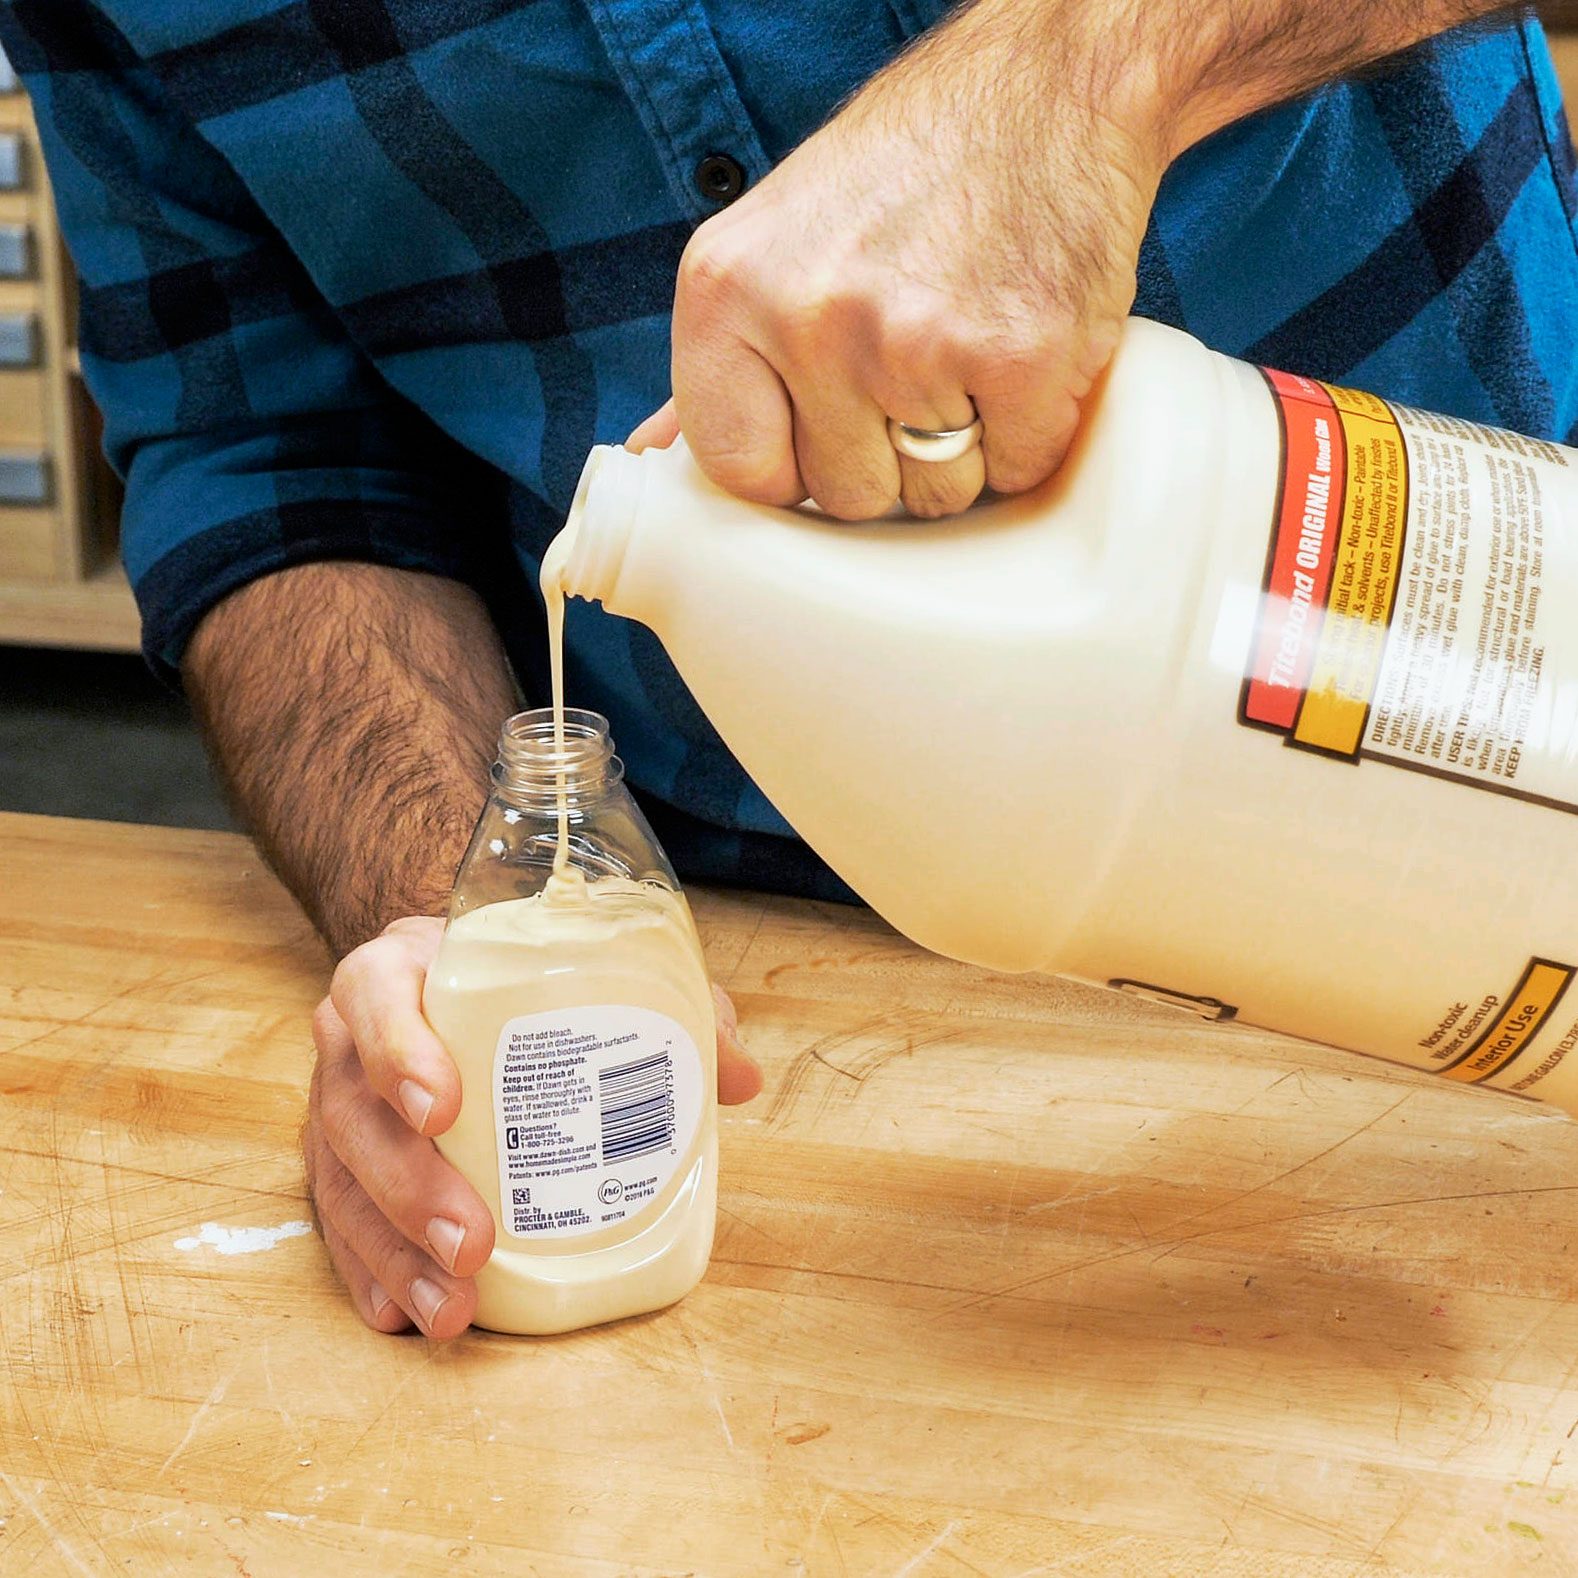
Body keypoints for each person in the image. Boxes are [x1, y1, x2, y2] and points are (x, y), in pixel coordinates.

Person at [6, 0, 1576, 1339]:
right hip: (782, 989)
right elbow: (273, 456)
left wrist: (1078, 76)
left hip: (1478, 751)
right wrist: (466, 947)